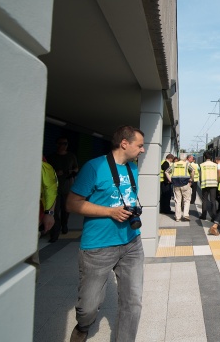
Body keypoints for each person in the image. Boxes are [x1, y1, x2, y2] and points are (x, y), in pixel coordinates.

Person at [66, 126, 145, 342]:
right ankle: (83, 326)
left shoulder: (133, 169)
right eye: (139, 145)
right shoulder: (94, 167)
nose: (143, 150)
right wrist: (110, 212)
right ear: (124, 144)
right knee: (88, 306)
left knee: (133, 301)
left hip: (131, 244)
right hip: (98, 247)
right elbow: (72, 204)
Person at [47, 136, 79, 241]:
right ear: (57, 144)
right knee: (55, 211)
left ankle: (64, 224)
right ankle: (54, 233)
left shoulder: (71, 156)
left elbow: (76, 168)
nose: (63, 146)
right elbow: (46, 171)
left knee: (65, 209)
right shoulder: (51, 157)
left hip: (67, 186)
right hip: (54, 188)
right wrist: (55, 173)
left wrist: (72, 171)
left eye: (65, 144)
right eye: (61, 143)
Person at [171, 154, 195, 222]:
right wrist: (191, 179)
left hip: (176, 184)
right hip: (185, 184)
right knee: (187, 200)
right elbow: (193, 171)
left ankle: (177, 217)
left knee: (177, 201)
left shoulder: (174, 164)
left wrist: (171, 180)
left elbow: (166, 171)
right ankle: (185, 215)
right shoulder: (187, 164)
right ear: (185, 159)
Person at [199, 152, 218, 224]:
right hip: (213, 184)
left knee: (205, 200)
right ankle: (214, 217)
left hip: (205, 184)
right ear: (211, 157)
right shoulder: (215, 165)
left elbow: (200, 175)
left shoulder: (202, 165)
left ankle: (204, 215)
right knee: (213, 200)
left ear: (204, 157)